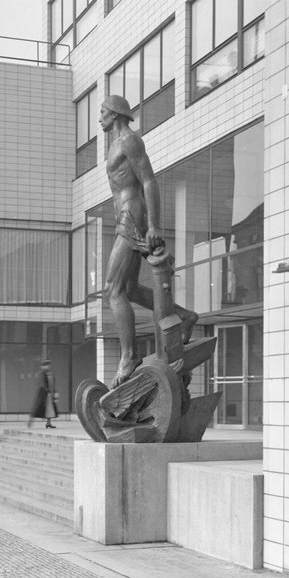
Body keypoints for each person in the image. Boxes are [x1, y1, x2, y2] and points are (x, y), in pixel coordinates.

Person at [99, 94, 199, 386]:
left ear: (116, 114)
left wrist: (154, 225)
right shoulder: (115, 145)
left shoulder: (129, 141)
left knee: (112, 289)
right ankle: (184, 316)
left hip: (133, 215)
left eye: (103, 112)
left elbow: (149, 180)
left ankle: (129, 356)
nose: (100, 117)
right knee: (128, 288)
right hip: (125, 216)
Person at [28, 360, 57, 429]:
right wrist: (47, 390)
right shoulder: (42, 373)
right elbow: (42, 383)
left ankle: (48, 423)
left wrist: (54, 391)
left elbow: (52, 383)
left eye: (48, 365)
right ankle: (30, 421)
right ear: (43, 366)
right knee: (38, 407)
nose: (48, 366)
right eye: (46, 365)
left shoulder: (49, 373)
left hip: (49, 393)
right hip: (43, 393)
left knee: (50, 408)